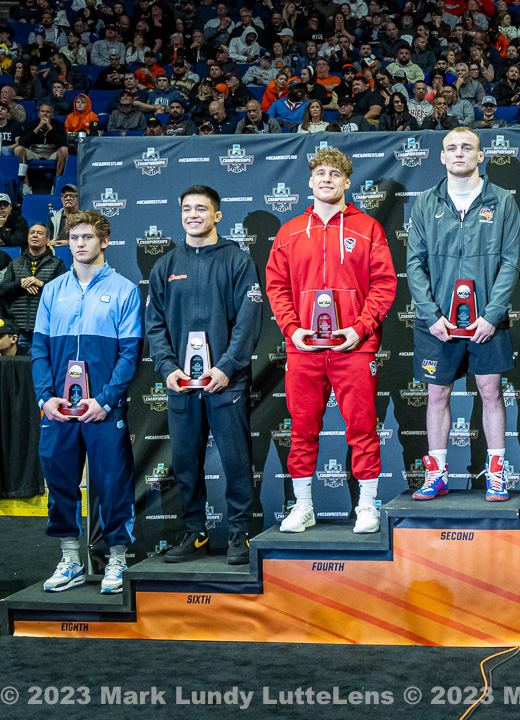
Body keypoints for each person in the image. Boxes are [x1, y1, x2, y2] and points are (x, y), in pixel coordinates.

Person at [265, 148, 397, 534]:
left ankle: (367, 506)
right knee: (302, 429)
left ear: (346, 181)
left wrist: (359, 329)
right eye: (320, 173)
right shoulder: (290, 231)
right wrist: (293, 329)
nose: (326, 179)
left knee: (362, 427)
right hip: (303, 349)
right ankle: (303, 506)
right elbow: (276, 287)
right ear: (309, 181)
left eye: (334, 174)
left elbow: (384, 284)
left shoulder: (369, 227)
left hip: (354, 347)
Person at [145, 185, 262, 565]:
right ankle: (195, 533)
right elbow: (155, 324)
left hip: (225, 382)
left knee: (235, 459)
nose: (192, 215)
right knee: (184, 462)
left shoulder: (238, 260)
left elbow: (248, 320)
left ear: (217, 215)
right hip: (181, 383)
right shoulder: (165, 266)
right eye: (186, 209)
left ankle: (241, 532)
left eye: (201, 209)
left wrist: (227, 366)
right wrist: (167, 368)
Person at [406, 128, 520, 502]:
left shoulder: (502, 201)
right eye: (451, 148)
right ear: (442, 157)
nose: (459, 153)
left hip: (487, 321)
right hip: (436, 322)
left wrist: (493, 315)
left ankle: (497, 474)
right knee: (437, 393)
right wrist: (430, 315)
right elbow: (415, 264)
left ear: (480, 155)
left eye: (467, 147)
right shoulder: (425, 202)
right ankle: (436, 474)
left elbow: (510, 263)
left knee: (491, 392)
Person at [32, 210, 142, 594]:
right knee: (60, 482)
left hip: (102, 409)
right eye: (74, 237)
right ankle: (70, 559)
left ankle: (115, 559)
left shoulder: (126, 290)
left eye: (88, 237)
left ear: (104, 241)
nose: (80, 243)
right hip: (59, 410)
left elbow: (130, 354)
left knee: (112, 483)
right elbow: (39, 349)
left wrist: (107, 400)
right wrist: (45, 397)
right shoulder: (52, 290)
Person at [0, 223, 66, 353]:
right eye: (32, 232)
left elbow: (64, 291)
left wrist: (41, 284)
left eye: (40, 233)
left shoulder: (57, 263)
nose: (35, 235)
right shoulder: (15, 262)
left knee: (42, 367)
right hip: (19, 330)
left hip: (45, 329)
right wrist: (21, 282)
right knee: (21, 369)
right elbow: (2, 290)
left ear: (48, 240)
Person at [13, 104, 68, 194]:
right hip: (35, 152)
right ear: (39, 114)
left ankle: (56, 183)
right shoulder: (32, 124)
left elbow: (62, 143)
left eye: (48, 112)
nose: (45, 114)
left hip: (52, 153)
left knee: (64, 150)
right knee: (18, 149)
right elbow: (23, 142)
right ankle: (26, 185)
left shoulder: (58, 125)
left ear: (52, 115)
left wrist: (50, 127)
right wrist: (38, 127)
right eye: (42, 111)